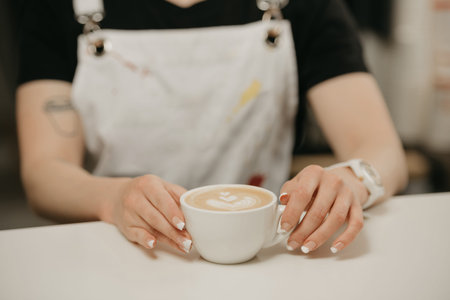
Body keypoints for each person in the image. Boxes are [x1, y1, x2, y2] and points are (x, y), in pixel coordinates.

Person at [16, 0, 408, 255]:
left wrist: (353, 179)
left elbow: (381, 149)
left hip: (262, 252)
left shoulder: (303, 6)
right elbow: (44, 173)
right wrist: (113, 199)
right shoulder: (57, 8)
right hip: (124, 250)